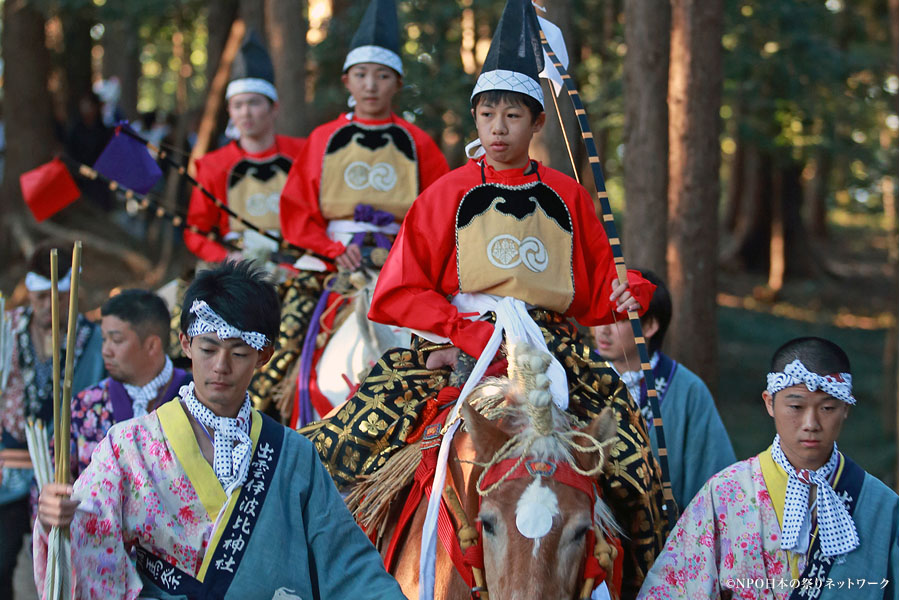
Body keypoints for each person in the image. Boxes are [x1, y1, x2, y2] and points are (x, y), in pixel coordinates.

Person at [301, 0, 667, 595]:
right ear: (476, 120)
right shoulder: (447, 193)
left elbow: (597, 295)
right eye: (488, 113)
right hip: (458, 343)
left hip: (552, 348)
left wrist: (631, 292)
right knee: (349, 441)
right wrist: (455, 329)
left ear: (536, 124)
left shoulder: (571, 198)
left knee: (631, 461)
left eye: (513, 115)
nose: (498, 127)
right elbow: (399, 289)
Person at [34, 261, 406, 599]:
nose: (221, 367)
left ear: (264, 356)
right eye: (208, 349)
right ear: (186, 345)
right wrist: (59, 520)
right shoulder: (129, 446)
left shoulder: (294, 455)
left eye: (239, 353)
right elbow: (87, 529)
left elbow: (346, 561)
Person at [264, 0, 449, 425]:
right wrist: (329, 247)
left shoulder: (418, 143)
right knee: (286, 336)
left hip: (401, 261)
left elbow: (439, 215)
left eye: (382, 76)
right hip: (332, 260)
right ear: (347, 79)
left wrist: (406, 251)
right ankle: (269, 414)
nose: (371, 85)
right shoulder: (324, 139)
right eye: (362, 75)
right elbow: (297, 209)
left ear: (397, 82)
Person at [638, 337, 899, 600]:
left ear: (845, 408)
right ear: (769, 403)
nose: (811, 423)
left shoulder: (882, 506)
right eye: (796, 406)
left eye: (827, 408)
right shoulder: (725, 494)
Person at [0, 242, 104, 600]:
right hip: (8, 470)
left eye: (58, 298)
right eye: (40, 297)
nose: (48, 307)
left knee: (65, 568)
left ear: (74, 294)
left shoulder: (94, 338)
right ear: (28, 292)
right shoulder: (6, 329)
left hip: (67, 470)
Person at [592, 269, 736, 509]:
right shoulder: (577, 377)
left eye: (620, 318)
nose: (603, 329)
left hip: (668, 538)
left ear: (649, 326)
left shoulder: (687, 390)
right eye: (601, 315)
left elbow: (718, 485)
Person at [184, 31, 305, 264]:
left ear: (274, 108)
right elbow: (195, 231)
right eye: (237, 105)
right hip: (236, 265)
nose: (245, 113)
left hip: (296, 263)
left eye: (254, 103)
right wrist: (225, 256)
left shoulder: (301, 154)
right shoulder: (213, 164)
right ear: (229, 111)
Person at [62, 289, 191, 478]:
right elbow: (53, 480)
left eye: (116, 340)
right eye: (104, 339)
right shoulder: (86, 405)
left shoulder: (194, 399)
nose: (105, 350)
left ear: (152, 345)